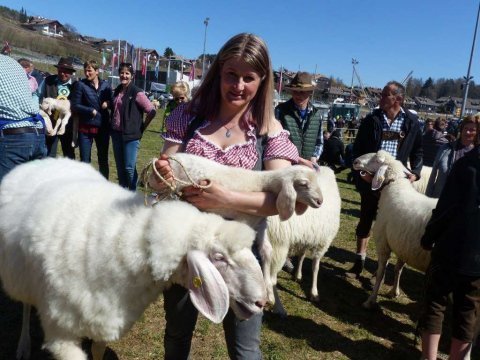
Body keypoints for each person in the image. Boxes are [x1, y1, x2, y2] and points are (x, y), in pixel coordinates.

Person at [149, 33, 306, 360]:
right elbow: (162, 173)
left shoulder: (267, 131)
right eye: (231, 75)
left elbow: (288, 202)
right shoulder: (188, 117)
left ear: (263, 80)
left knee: (245, 348)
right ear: (218, 73)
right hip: (186, 248)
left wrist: (224, 197)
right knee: (177, 335)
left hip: (242, 252)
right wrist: (159, 176)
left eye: (249, 77)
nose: (238, 85)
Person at [346, 80, 423, 278]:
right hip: (371, 179)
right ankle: (359, 260)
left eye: (384, 95)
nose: (379, 98)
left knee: (395, 222)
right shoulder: (371, 120)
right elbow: (358, 150)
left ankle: (384, 267)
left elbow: (418, 151)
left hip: (395, 184)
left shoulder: (412, 123)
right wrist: (361, 174)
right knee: (366, 218)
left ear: (398, 99)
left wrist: (416, 171)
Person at [419, 144, 480, 360]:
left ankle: (429, 357)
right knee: (468, 310)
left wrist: (429, 237)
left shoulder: (466, 165)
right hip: (476, 261)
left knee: (435, 302)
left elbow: (447, 208)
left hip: (451, 248)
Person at [0, 54, 46, 182]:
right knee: (31, 193)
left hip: (13, 138)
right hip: (37, 134)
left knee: (6, 195)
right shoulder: (12, 62)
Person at [111, 62, 156, 190]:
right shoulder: (117, 90)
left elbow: (151, 111)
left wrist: (142, 127)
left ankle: (132, 193)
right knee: (120, 167)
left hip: (131, 136)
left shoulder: (137, 93)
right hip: (116, 134)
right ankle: (122, 191)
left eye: (127, 73)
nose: (124, 76)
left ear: (132, 76)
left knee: (129, 168)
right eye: (122, 73)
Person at [71, 60, 112, 178]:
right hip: (85, 127)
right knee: (85, 160)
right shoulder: (80, 85)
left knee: (103, 158)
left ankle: (104, 185)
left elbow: (113, 102)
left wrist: (108, 103)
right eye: (85, 70)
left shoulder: (106, 85)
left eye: (90, 70)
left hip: (102, 127)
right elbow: (75, 105)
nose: (87, 73)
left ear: (97, 71)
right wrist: (90, 110)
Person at [275, 72, 323, 163]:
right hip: (285, 166)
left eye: (302, 92)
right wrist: (299, 160)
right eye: (295, 91)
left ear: (310, 92)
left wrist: (314, 157)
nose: (298, 95)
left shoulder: (317, 114)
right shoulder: (280, 111)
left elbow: (319, 142)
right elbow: (276, 143)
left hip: (307, 168)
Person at [425, 115, 479, 198]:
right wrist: (427, 197)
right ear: (461, 129)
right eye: (466, 128)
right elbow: (432, 177)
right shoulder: (445, 148)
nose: (467, 132)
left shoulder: (477, 154)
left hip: (464, 205)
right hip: (438, 201)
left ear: (477, 133)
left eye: (472, 130)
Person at [38, 57, 77, 159]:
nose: (63, 74)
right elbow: (37, 95)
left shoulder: (76, 85)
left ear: (71, 72)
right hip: (50, 124)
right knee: (49, 154)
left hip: (67, 125)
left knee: (69, 156)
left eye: (66, 72)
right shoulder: (48, 81)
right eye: (60, 71)